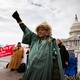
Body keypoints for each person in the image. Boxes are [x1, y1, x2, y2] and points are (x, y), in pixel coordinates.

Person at [12, 11, 65, 80]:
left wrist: (56, 75)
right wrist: (18, 19)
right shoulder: (34, 40)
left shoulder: (51, 42)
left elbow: (55, 59)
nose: (39, 31)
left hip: (45, 72)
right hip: (31, 70)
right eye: (38, 30)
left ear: (47, 32)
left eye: (42, 30)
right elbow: (26, 30)